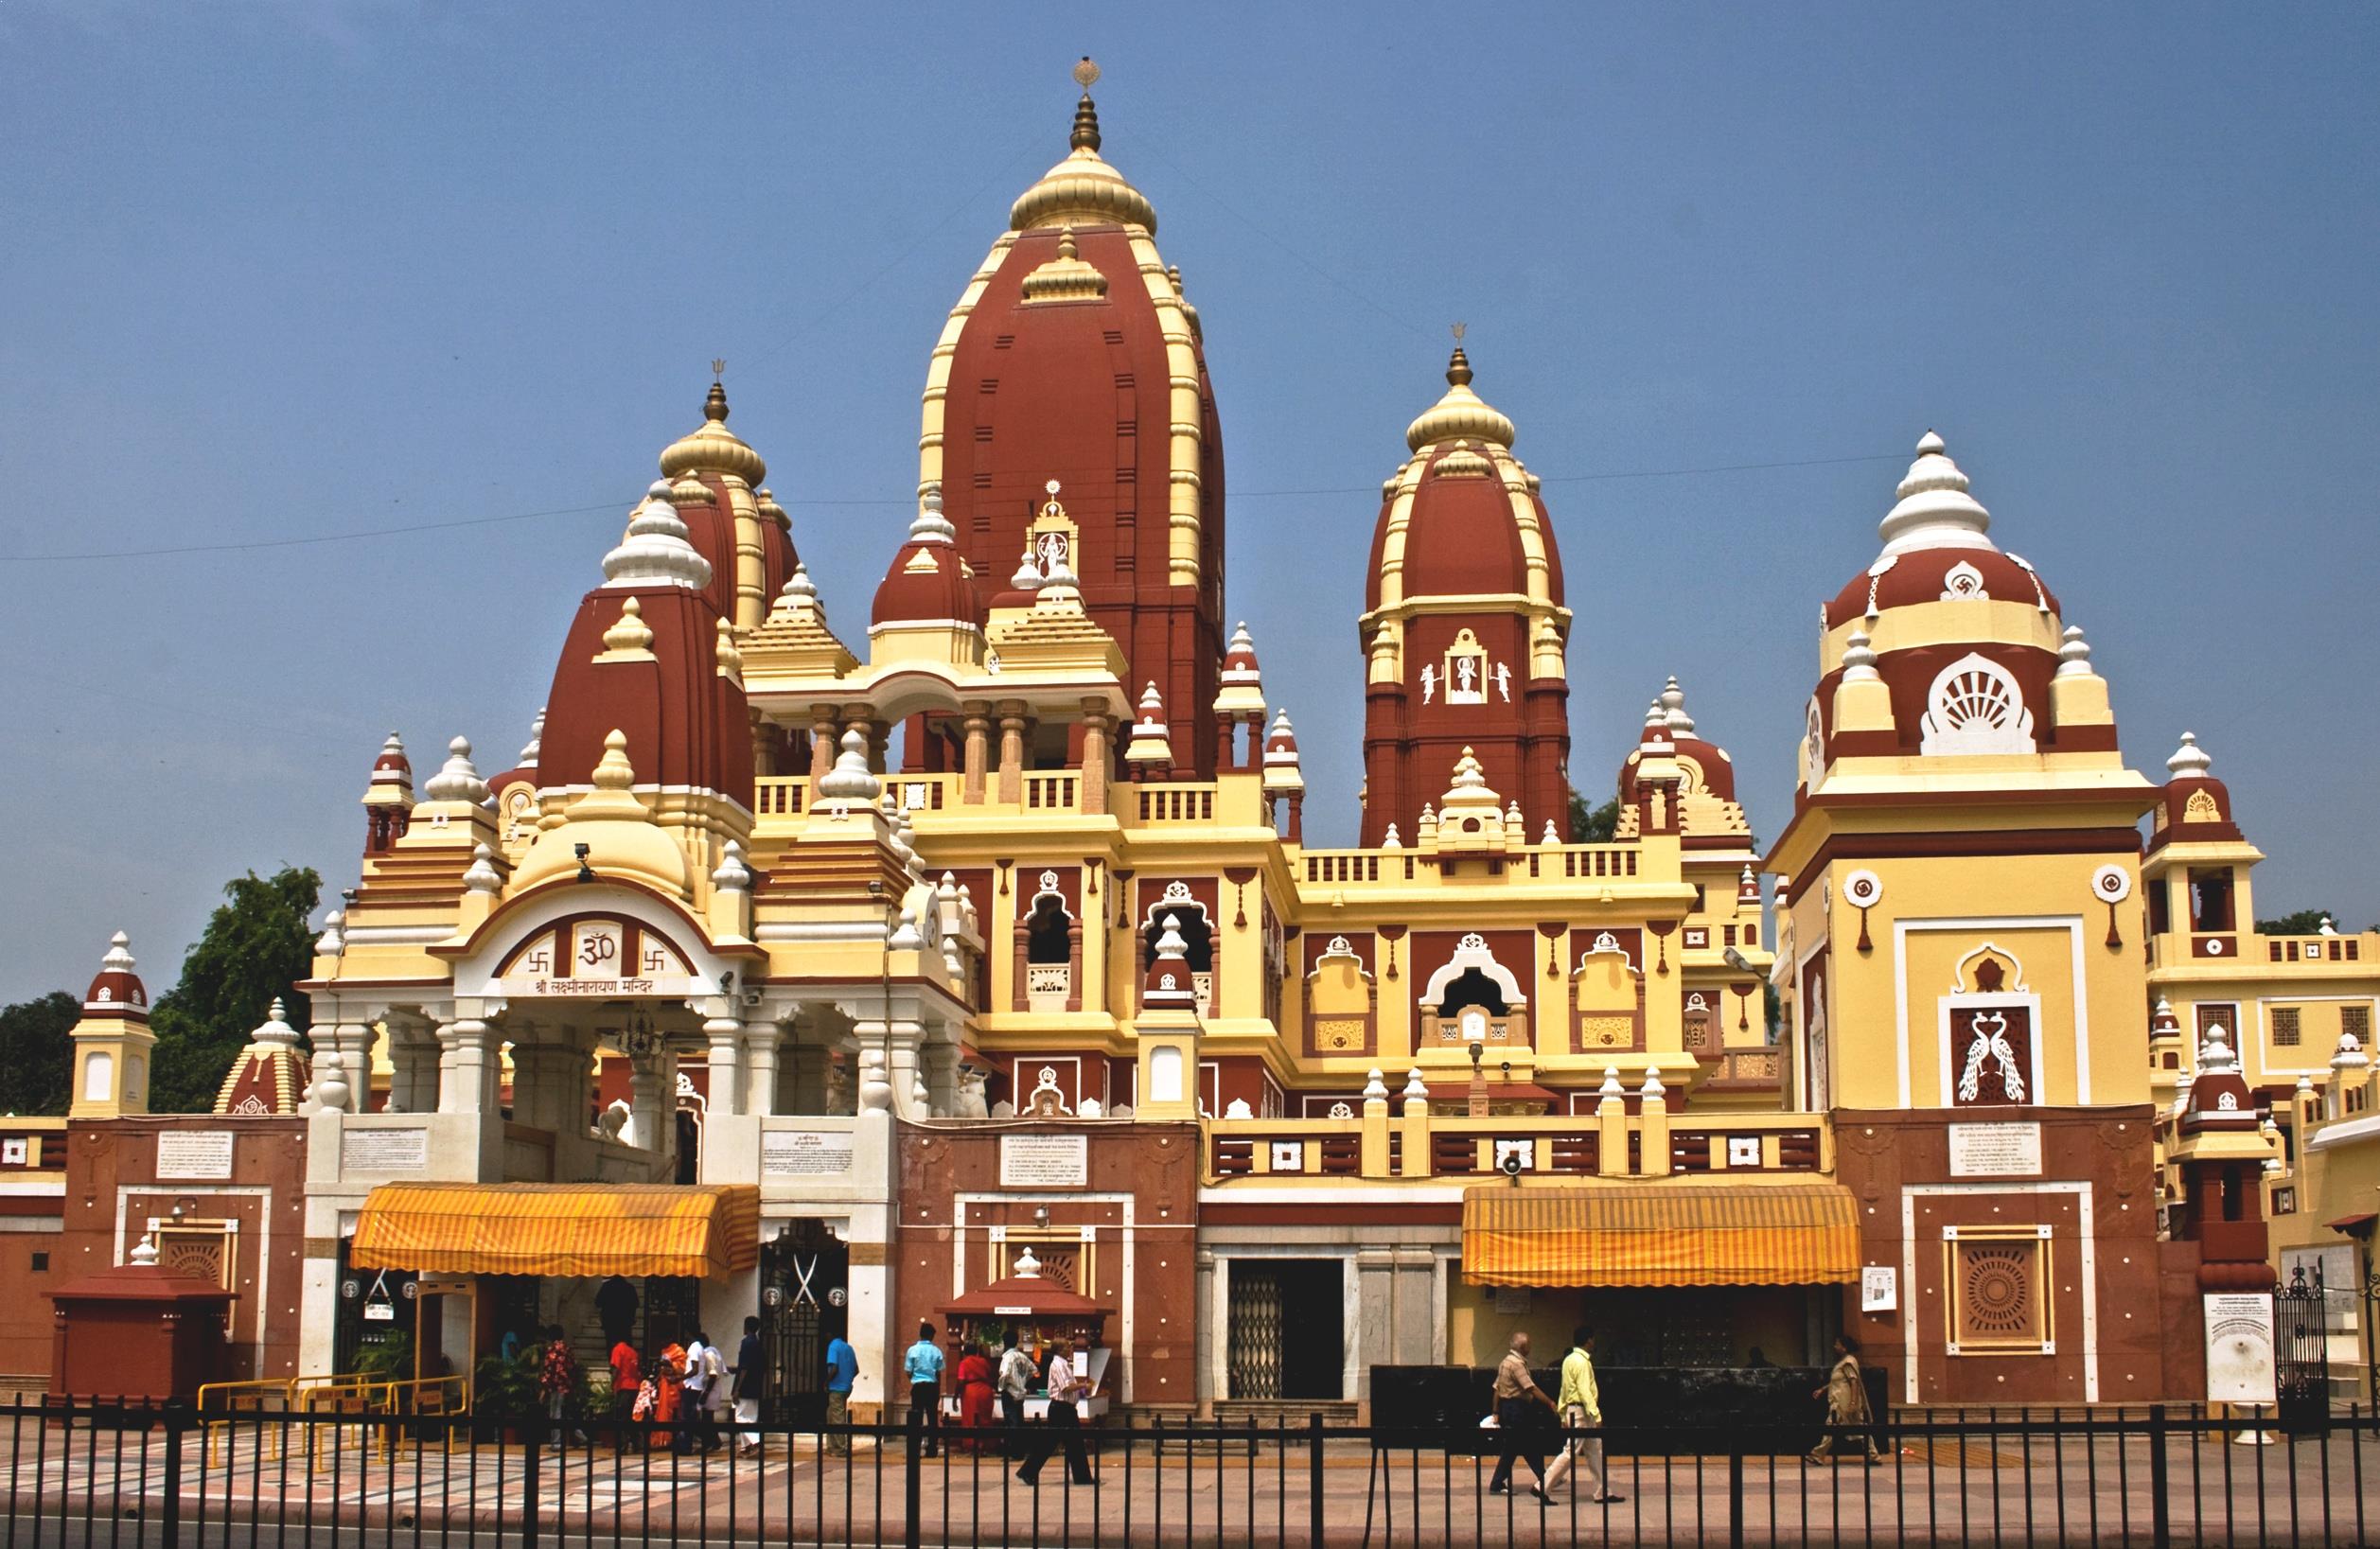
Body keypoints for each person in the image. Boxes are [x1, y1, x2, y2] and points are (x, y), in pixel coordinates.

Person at [1540, 1326, 1622, 1504]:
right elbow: (1584, 1390)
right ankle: (1542, 1486)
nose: (1594, 1342)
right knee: (1571, 1452)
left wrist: (1562, 1414)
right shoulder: (1583, 1362)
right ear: (1588, 1340)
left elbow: (1564, 1389)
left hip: (1573, 1409)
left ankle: (1602, 1491)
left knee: (1594, 1450)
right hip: (1582, 1412)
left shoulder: (1568, 1360)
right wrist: (1596, 1414)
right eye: (1593, 1339)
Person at [1485, 1330, 1556, 1501]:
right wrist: (1550, 1403)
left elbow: (1497, 1389)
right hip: (1516, 1409)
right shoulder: (1516, 1364)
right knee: (1518, 1446)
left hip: (1508, 1409)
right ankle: (1498, 1483)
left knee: (1522, 1445)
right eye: (1529, 1344)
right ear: (1524, 1347)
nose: (1531, 1347)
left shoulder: (1505, 1362)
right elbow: (1530, 1387)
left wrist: (1496, 1411)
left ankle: (1546, 1478)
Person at [1015, 1334, 1094, 1487]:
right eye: (1066, 1347)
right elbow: (1065, 1387)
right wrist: (1083, 1385)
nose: (1069, 1349)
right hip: (1061, 1409)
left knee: (1074, 1443)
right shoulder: (1057, 1365)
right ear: (1059, 1350)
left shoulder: (1065, 1364)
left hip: (1068, 1408)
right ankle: (1028, 1471)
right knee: (1051, 1442)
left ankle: (1082, 1476)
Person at [1807, 1334, 1882, 1465]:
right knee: (1858, 1427)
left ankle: (1818, 1454)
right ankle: (1873, 1455)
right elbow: (1837, 1381)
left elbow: (1854, 1382)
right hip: (1840, 1401)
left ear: (1844, 1347)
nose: (1835, 1347)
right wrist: (1823, 1389)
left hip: (1844, 1402)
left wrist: (1853, 1402)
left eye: (1837, 1344)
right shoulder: (1843, 1362)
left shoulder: (1848, 1362)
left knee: (1833, 1426)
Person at [905, 1321, 947, 1458]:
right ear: (931, 1336)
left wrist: (914, 1379)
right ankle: (932, 1449)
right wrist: (937, 1388)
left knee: (915, 1418)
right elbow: (939, 1372)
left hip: (918, 1386)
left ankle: (914, 1448)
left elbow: (908, 1370)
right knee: (932, 1419)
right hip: (932, 1386)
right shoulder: (936, 1351)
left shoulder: (912, 1350)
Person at [538, 1326, 584, 1447]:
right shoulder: (567, 1349)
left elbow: (549, 1371)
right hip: (567, 1385)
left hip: (556, 1386)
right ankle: (579, 1434)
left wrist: (544, 1389)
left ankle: (556, 1442)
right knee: (567, 1412)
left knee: (555, 1413)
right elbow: (574, 1367)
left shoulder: (552, 1350)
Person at [732, 1315, 766, 1455]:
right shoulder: (758, 1343)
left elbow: (745, 1367)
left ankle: (756, 1440)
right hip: (756, 1384)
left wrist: (737, 1389)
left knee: (740, 1416)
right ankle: (745, 1447)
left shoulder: (747, 1343)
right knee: (751, 1417)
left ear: (746, 1327)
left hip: (745, 1386)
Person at [679, 1330, 716, 1455]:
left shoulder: (694, 1347)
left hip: (691, 1386)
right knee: (691, 1417)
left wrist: (679, 1378)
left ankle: (687, 1446)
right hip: (696, 1386)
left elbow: (694, 1370)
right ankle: (710, 1438)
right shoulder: (700, 1347)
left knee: (687, 1418)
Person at [822, 1328, 858, 1457]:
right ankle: (832, 1446)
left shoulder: (833, 1346)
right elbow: (856, 1369)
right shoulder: (848, 1348)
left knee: (837, 1418)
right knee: (831, 1415)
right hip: (846, 1387)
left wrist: (826, 1382)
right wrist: (847, 1379)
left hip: (836, 1387)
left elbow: (834, 1368)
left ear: (830, 1334)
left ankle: (840, 1448)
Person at [955, 1338, 996, 1448]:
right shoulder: (983, 1361)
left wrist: (955, 1396)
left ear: (965, 1351)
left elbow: (961, 1380)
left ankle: (972, 1444)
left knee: (970, 1419)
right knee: (985, 1418)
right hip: (985, 1391)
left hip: (970, 1392)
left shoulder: (964, 1363)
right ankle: (986, 1445)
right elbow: (991, 1375)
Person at [608, 1332, 643, 1454]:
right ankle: (637, 1444)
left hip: (624, 1385)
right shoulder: (632, 1352)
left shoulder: (618, 1350)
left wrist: (612, 1384)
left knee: (621, 1417)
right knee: (629, 1417)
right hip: (634, 1386)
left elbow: (616, 1368)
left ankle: (622, 1446)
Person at [652, 1343, 685, 1452]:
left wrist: (671, 1365)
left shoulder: (678, 1351)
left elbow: (683, 1369)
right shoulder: (664, 1351)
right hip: (664, 1387)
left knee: (673, 1413)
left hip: (674, 1387)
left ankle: (672, 1440)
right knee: (662, 1412)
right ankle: (661, 1439)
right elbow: (662, 1369)